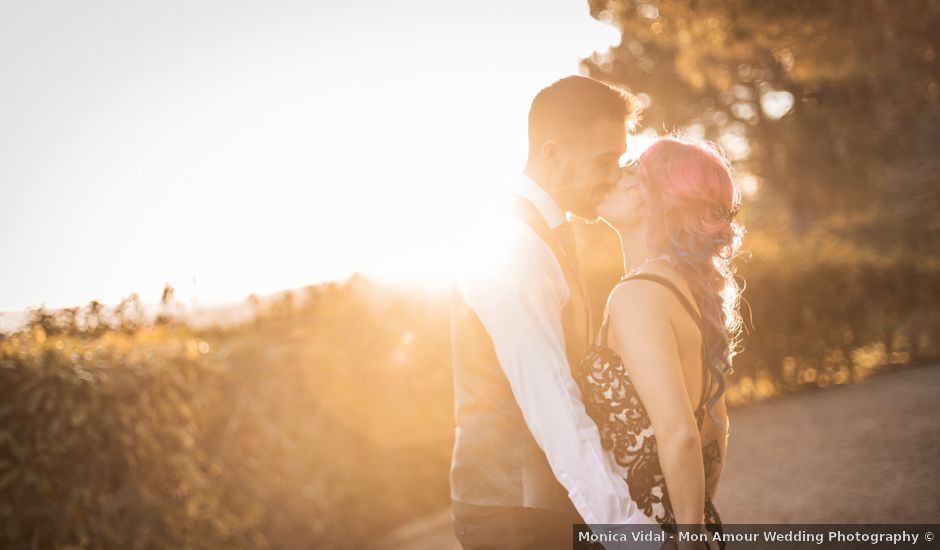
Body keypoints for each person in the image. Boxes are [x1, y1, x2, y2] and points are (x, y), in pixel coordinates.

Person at [449, 75, 656, 550]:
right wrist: (628, 530)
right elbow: (551, 400)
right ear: (554, 155)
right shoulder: (513, 246)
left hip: (542, 505)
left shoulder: (544, 231)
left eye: (620, 159)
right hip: (518, 516)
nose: (615, 174)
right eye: (604, 161)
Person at [579, 135, 745, 549]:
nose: (614, 178)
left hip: (647, 531)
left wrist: (686, 538)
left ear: (659, 202)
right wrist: (699, 516)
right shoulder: (687, 289)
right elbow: (716, 424)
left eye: (633, 175)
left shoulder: (637, 294)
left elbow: (680, 431)